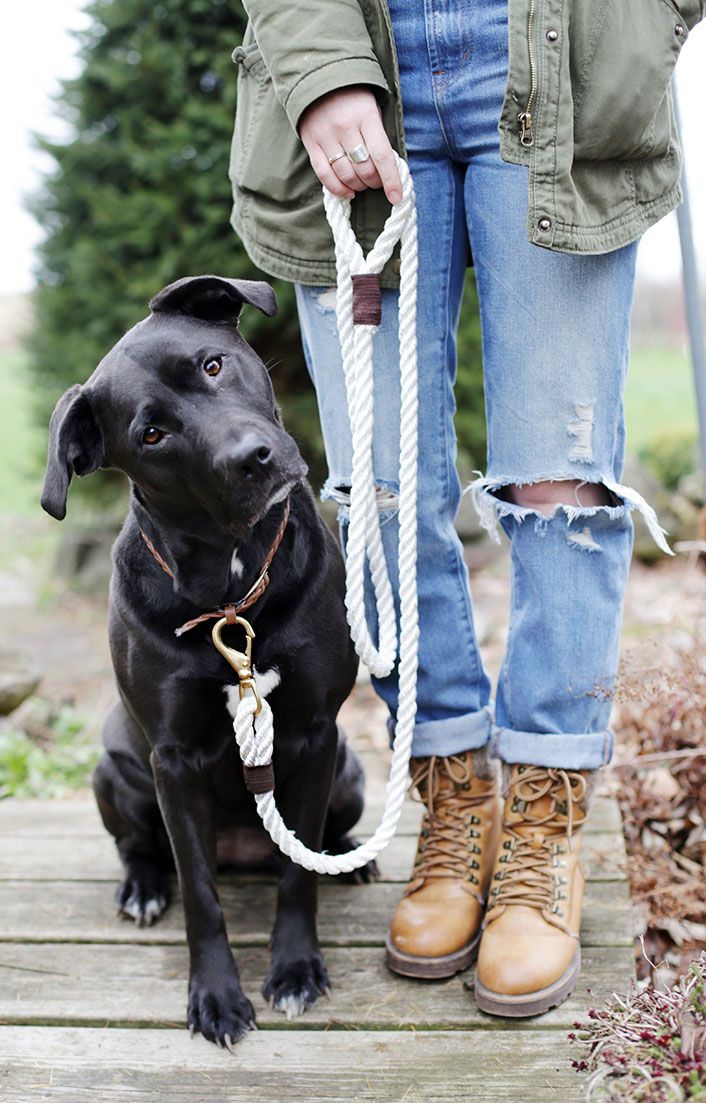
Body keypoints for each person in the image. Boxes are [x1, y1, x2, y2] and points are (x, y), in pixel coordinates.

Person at [229, 0, 701, 1015]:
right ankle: (451, 793)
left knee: (560, 483)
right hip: (363, 55)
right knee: (379, 484)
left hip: (558, 56)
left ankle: (541, 817)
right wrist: (315, 68)